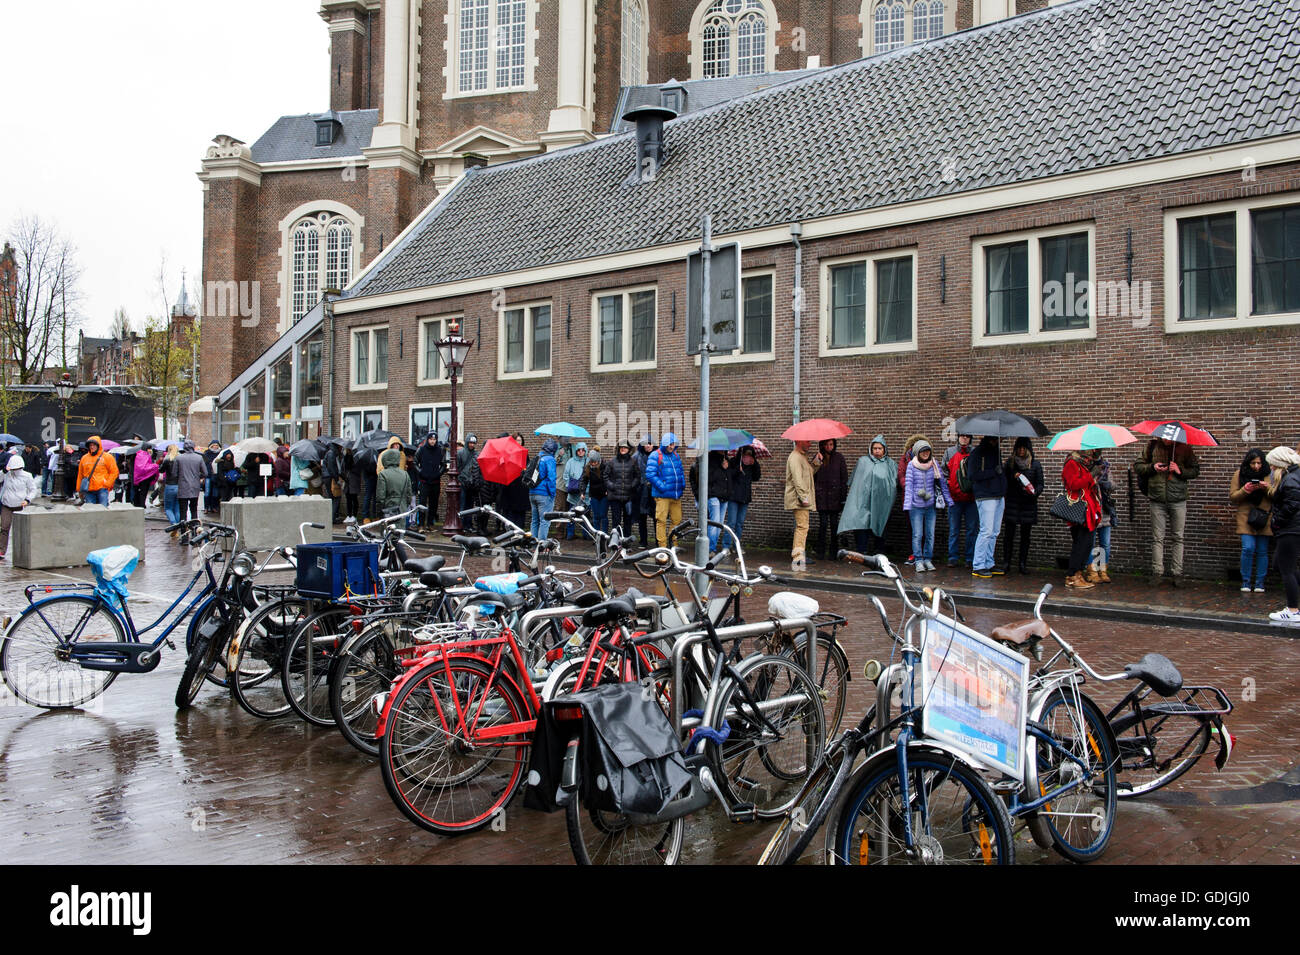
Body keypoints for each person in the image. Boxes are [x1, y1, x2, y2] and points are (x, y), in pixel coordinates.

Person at [1134, 436, 1200, 586]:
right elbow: (1138, 466)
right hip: (1157, 498)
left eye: (1169, 438)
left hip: (1178, 500)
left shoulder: (1185, 448)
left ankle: (1177, 573)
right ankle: (1157, 572)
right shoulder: (1151, 446)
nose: (1165, 440)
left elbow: (1195, 470)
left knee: (1178, 537)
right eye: (1163, 437)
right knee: (1157, 538)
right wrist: (1153, 467)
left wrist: (1179, 470)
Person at [840, 435, 895, 556]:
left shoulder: (890, 464)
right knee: (861, 524)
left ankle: (879, 551)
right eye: (874, 448)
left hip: (881, 502)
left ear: (884, 449)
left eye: (879, 448)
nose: (877, 451)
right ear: (871, 449)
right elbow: (855, 482)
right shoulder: (863, 462)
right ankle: (861, 550)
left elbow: (893, 483)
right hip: (863, 502)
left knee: (880, 523)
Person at [902, 439, 952, 572]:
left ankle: (928, 559)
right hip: (916, 507)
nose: (925, 453)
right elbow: (909, 486)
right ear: (917, 452)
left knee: (930, 534)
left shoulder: (934, 464)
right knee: (917, 534)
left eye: (927, 450)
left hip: (930, 506)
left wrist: (949, 501)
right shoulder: (911, 466)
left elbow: (942, 485)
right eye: (923, 451)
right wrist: (907, 505)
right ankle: (918, 560)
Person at [1265, 446, 1300, 625]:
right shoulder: (1292, 476)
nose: (1270, 468)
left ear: (1280, 464)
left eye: (1272, 465)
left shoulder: (1291, 478)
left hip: (1290, 529)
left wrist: (1278, 520)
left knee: (1287, 569)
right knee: (1280, 564)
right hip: (1290, 528)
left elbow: (1293, 504)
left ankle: (1293, 610)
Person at [1230, 448, 1272, 594]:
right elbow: (1233, 497)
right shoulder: (1239, 474)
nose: (1256, 466)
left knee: (1262, 551)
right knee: (1248, 548)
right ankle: (1246, 581)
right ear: (1248, 463)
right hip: (1245, 517)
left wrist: (1266, 488)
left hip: (1264, 517)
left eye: (1259, 463)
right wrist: (1245, 490)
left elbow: (1276, 495)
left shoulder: (1269, 475)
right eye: (1253, 463)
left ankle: (1260, 583)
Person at [1002, 437, 1044, 575]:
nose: (1021, 450)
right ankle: (1006, 562)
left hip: (1028, 504)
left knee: (1025, 536)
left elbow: (1040, 484)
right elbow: (1004, 481)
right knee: (1009, 535)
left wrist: (1034, 492)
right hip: (1012, 503)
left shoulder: (1035, 465)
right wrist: (1012, 476)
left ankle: (1022, 564)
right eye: (1019, 448)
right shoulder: (1010, 464)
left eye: (1023, 448)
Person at [1061, 448, 1101, 589]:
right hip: (1079, 510)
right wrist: (1091, 475)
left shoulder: (1082, 464)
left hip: (1088, 510)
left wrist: (1094, 477)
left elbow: (1086, 485)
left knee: (1086, 544)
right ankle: (1072, 577)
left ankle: (1078, 574)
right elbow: (1073, 485)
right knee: (1081, 544)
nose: (1091, 453)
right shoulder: (1071, 463)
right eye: (1090, 450)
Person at [968, 435, 1006, 578]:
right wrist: (993, 472)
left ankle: (989, 562)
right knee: (986, 531)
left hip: (998, 495)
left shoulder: (996, 452)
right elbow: (972, 475)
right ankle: (978, 565)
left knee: (994, 531)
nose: (1003, 440)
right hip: (985, 495)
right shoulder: (977, 453)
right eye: (1001, 438)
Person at [785, 439, 822, 571]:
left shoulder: (802, 457)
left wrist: (817, 462)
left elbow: (809, 473)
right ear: (799, 441)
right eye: (807, 442)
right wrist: (803, 497)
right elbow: (797, 479)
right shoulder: (795, 457)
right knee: (802, 527)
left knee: (803, 526)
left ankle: (799, 555)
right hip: (799, 499)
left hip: (801, 498)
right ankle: (798, 557)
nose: (810, 444)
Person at [645, 432, 685, 548]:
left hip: (675, 495)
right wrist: (662, 487)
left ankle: (673, 543)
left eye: (673, 444)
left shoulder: (676, 456)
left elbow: (681, 471)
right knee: (661, 521)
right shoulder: (655, 455)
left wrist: (682, 485)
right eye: (669, 444)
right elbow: (650, 474)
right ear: (664, 444)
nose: (671, 446)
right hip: (662, 495)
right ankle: (662, 547)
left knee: (677, 520)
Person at [814, 438, 849, 562]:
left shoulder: (839, 458)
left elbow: (844, 479)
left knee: (834, 526)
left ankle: (833, 552)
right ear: (822, 445)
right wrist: (817, 461)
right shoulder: (818, 457)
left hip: (835, 497)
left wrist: (843, 498)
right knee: (822, 525)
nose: (829, 447)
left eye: (831, 444)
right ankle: (820, 552)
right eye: (826, 445)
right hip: (822, 497)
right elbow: (812, 475)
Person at [945, 439, 978, 567]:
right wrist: (950, 484)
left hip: (971, 499)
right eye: (962, 436)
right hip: (955, 499)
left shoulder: (975, 452)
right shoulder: (950, 452)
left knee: (972, 530)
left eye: (967, 436)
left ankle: (970, 558)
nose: (964, 438)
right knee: (954, 530)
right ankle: (952, 557)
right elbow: (944, 470)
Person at [0, 456, 39, 560]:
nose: (14, 471)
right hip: (7, 505)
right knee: (4, 528)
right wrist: (4, 471)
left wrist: (27, 500)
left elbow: (33, 489)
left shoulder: (27, 476)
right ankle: (2, 550)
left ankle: (23, 552)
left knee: (22, 530)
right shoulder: (6, 474)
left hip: (20, 506)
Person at [1088, 448, 1117, 583]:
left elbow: (1113, 485)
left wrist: (1106, 484)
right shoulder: (1086, 466)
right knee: (1091, 543)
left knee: (1105, 543)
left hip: (1104, 510)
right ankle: (1092, 571)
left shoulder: (1105, 467)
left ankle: (1103, 570)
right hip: (1092, 509)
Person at [605, 440, 642, 541]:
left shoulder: (633, 462)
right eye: (621, 447)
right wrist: (611, 486)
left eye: (625, 447)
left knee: (628, 521)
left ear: (629, 449)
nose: (623, 449)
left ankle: (626, 541)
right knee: (616, 521)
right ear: (618, 449)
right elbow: (606, 476)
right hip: (614, 497)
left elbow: (637, 477)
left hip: (628, 497)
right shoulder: (611, 462)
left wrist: (632, 485)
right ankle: (615, 541)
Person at [725, 446, 761, 545]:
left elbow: (756, 477)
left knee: (740, 523)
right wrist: (738, 469)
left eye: (750, 455)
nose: (747, 457)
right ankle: (726, 546)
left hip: (745, 498)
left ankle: (737, 546)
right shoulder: (734, 462)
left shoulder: (752, 465)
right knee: (731, 523)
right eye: (745, 455)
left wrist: (755, 465)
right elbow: (729, 475)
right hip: (734, 497)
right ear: (741, 454)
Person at [76, 436, 119, 508]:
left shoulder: (107, 457)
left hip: (102, 488)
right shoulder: (84, 458)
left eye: (94, 445)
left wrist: (107, 484)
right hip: (89, 489)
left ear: (98, 445)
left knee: (102, 509)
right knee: (91, 510)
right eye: (90, 445)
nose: (92, 447)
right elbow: (80, 474)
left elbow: (114, 472)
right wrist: (79, 489)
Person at [530, 439, 559, 540]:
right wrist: (553, 494)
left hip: (532, 492)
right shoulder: (549, 459)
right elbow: (551, 478)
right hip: (544, 494)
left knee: (535, 520)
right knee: (545, 520)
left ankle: (532, 544)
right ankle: (541, 546)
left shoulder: (537, 457)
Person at [415, 432, 444, 528]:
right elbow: (415, 462)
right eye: (431, 439)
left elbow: (443, 464)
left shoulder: (439, 450)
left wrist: (439, 473)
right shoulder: (422, 450)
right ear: (428, 440)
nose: (432, 441)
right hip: (424, 481)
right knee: (422, 503)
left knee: (434, 504)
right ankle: (421, 525)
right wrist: (420, 472)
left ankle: (430, 524)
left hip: (435, 481)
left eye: (434, 439)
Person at [176, 441, 207, 531]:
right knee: (194, 510)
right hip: (195, 486)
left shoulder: (179, 458)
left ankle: (184, 536)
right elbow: (205, 473)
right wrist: (197, 477)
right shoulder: (199, 458)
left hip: (182, 486)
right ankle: (195, 532)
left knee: (183, 512)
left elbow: (174, 473)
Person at [561, 442, 589, 540]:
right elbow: (565, 475)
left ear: (585, 450)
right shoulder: (570, 461)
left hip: (584, 494)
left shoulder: (588, 461)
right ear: (576, 451)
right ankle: (570, 534)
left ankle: (586, 535)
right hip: (573, 494)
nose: (580, 451)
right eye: (578, 450)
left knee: (585, 515)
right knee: (571, 514)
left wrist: (587, 490)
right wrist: (569, 486)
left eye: (582, 450)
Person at [375, 448, 412, 517]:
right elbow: (409, 495)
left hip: (387, 510)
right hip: (402, 509)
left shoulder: (383, 474)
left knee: (388, 527)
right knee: (400, 528)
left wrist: (379, 511)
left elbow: (380, 496)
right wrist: (404, 506)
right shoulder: (405, 474)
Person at [634, 435, 655, 546]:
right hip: (641, 492)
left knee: (657, 517)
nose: (648, 446)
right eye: (646, 443)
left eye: (650, 443)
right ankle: (643, 541)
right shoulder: (636, 457)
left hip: (655, 491)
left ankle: (659, 542)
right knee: (642, 518)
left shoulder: (659, 456)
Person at [586, 444, 608, 536]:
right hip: (594, 495)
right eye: (591, 462)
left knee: (603, 516)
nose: (593, 464)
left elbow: (608, 479)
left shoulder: (605, 466)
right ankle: (597, 536)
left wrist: (608, 490)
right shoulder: (588, 468)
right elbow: (583, 480)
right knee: (596, 516)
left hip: (604, 494)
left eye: (595, 462)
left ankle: (605, 535)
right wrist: (582, 491)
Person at [160, 444, 182, 528]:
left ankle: (174, 525)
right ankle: (178, 525)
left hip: (170, 485)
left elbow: (161, 470)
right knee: (177, 508)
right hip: (179, 485)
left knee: (168, 508)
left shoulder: (167, 459)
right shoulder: (180, 459)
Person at [202, 441, 222, 513]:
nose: (215, 447)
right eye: (214, 445)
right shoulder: (206, 453)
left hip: (216, 475)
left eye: (216, 445)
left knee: (215, 492)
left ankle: (214, 506)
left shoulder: (220, 453)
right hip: (208, 475)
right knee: (207, 491)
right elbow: (204, 464)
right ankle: (206, 507)